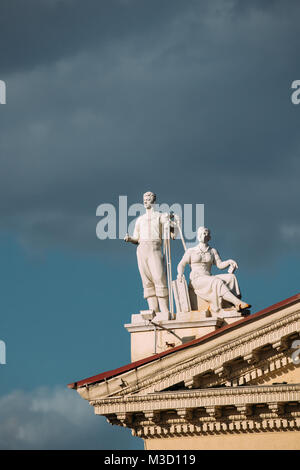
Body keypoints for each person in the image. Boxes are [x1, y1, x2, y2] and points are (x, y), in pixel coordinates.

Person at [177, 226, 250, 314]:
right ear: (198, 236)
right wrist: (180, 274)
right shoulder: (191, 251)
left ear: (209, 237)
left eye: (206, 234)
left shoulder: (212, 251)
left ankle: (231, 304)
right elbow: (181, 264)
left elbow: (219, 265)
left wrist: (229, 262)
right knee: (217, 281)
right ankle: (237, 303)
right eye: (202, 233)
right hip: (197, 279)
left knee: (231, 277)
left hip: (208, 277)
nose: (204, 235)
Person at [124, 191, 176, 313]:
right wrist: (130, 238)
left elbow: (170, 228)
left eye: (148, 199)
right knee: (147, 280)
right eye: (144, 199)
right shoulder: (140, 220)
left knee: (159, 277)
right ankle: (153, 309)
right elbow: (136, 238)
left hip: (154, 247)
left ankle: (164, 309)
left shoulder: (160, 215)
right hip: (142, 249)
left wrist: (171, 223)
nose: (145, 201)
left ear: (153, 200)